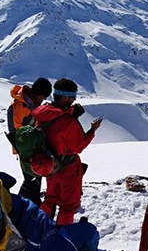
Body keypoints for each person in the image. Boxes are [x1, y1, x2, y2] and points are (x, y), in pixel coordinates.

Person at [31, 78, 102, 225]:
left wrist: (71, 114)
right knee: (68, 206)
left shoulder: (44, 113)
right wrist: (92, 131)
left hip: (51, 166)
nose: (73, 100)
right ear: (65, 97)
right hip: (67, 169)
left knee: (50, 199)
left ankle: (39, 228)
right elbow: (79, 146)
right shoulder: (68, 122)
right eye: (72, 97)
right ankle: (62, 238)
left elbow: (55, 126)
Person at [7, 78, 53, 205]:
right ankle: (19, 205)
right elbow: (23, 130)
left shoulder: (21, 102)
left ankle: (31, 201)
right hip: (27, 147)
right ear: (40, 94)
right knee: (31, 177)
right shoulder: (26, 106)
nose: (43, 100)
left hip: (23, 146)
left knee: (33, 176)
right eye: (43, 97)